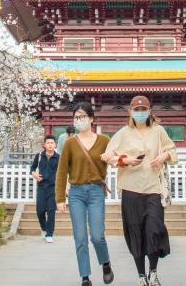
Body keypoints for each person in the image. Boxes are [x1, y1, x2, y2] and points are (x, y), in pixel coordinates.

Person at [103, 96, 177, 286]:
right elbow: (107, 155)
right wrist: (125, 160)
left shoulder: (158, 131)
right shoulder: (123, 133)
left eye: (143, 109)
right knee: (135, 231)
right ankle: (141, 276)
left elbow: (172, 151)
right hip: (131, 189)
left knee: (154, 230)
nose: (140, 113)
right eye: (136, 110)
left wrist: (164, 156)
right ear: (130, 112)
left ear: (149, 111)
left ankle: (153, 272)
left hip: (153, 188)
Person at [56, 102, 114, 286]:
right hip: (76, 194)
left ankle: (105, 263)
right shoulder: (70, 143)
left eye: (82, 116)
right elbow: (61, 171)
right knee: (80, 238)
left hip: (96, 192)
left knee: (97, 235)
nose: (79, 120)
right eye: (76, 117)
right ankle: (85, 277)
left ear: (91, 118)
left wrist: (114, 158)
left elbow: (114, 159)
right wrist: (60, 198)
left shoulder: (104, 140)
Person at [31, 134, 60, 243]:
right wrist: (34, 174)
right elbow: (32, 168)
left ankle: (49, 234)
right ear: (44, 145)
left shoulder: (58, 157)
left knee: (51, 211)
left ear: (55, 144)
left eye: (52, 143)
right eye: (48, 143)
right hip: (41, 187)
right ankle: (44, 228)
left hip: (53, 188)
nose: (50, 145)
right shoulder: (39, 156)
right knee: (40, 211)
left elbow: (62, 173)